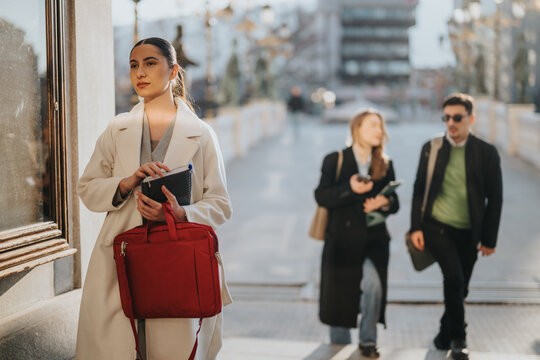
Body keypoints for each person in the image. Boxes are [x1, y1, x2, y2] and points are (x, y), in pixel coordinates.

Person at [76, 37, 232, 360]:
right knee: (118, 347)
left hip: (175, 261)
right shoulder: (117, 129)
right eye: (134, 65)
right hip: (120, 255)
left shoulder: (201, 134)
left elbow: (220, 204)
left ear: (173, 71)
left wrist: (180, 214)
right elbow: (88, 187)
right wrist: (125, 183)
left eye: (150, 63)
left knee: (171, 347)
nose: (140, 73)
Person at [409, 93, 503, 360]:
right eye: (446, 117)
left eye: (457, 117)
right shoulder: (432, 148)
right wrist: (415, 227)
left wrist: (489, 239)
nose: (451, 122)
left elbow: (495, 198)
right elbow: (418, 190)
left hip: (469, 232)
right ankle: (458, 339)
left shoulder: (487, 153)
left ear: (471, 119)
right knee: (453, 278)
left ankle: (442, 333)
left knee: (461, 288)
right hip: (436, 227)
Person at [315, 109, 399, 358]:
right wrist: (350, 189)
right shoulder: (335, 159)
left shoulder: (385, 162)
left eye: (381, 126)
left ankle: (368, 341)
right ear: (357, 129)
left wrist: (383, 203)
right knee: (339, 295)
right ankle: (338, 346)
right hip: (340, 240)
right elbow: (321, 196)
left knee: (373, 285)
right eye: (373, 125)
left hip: (374, 240)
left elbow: (395, 203)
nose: (379, 131)